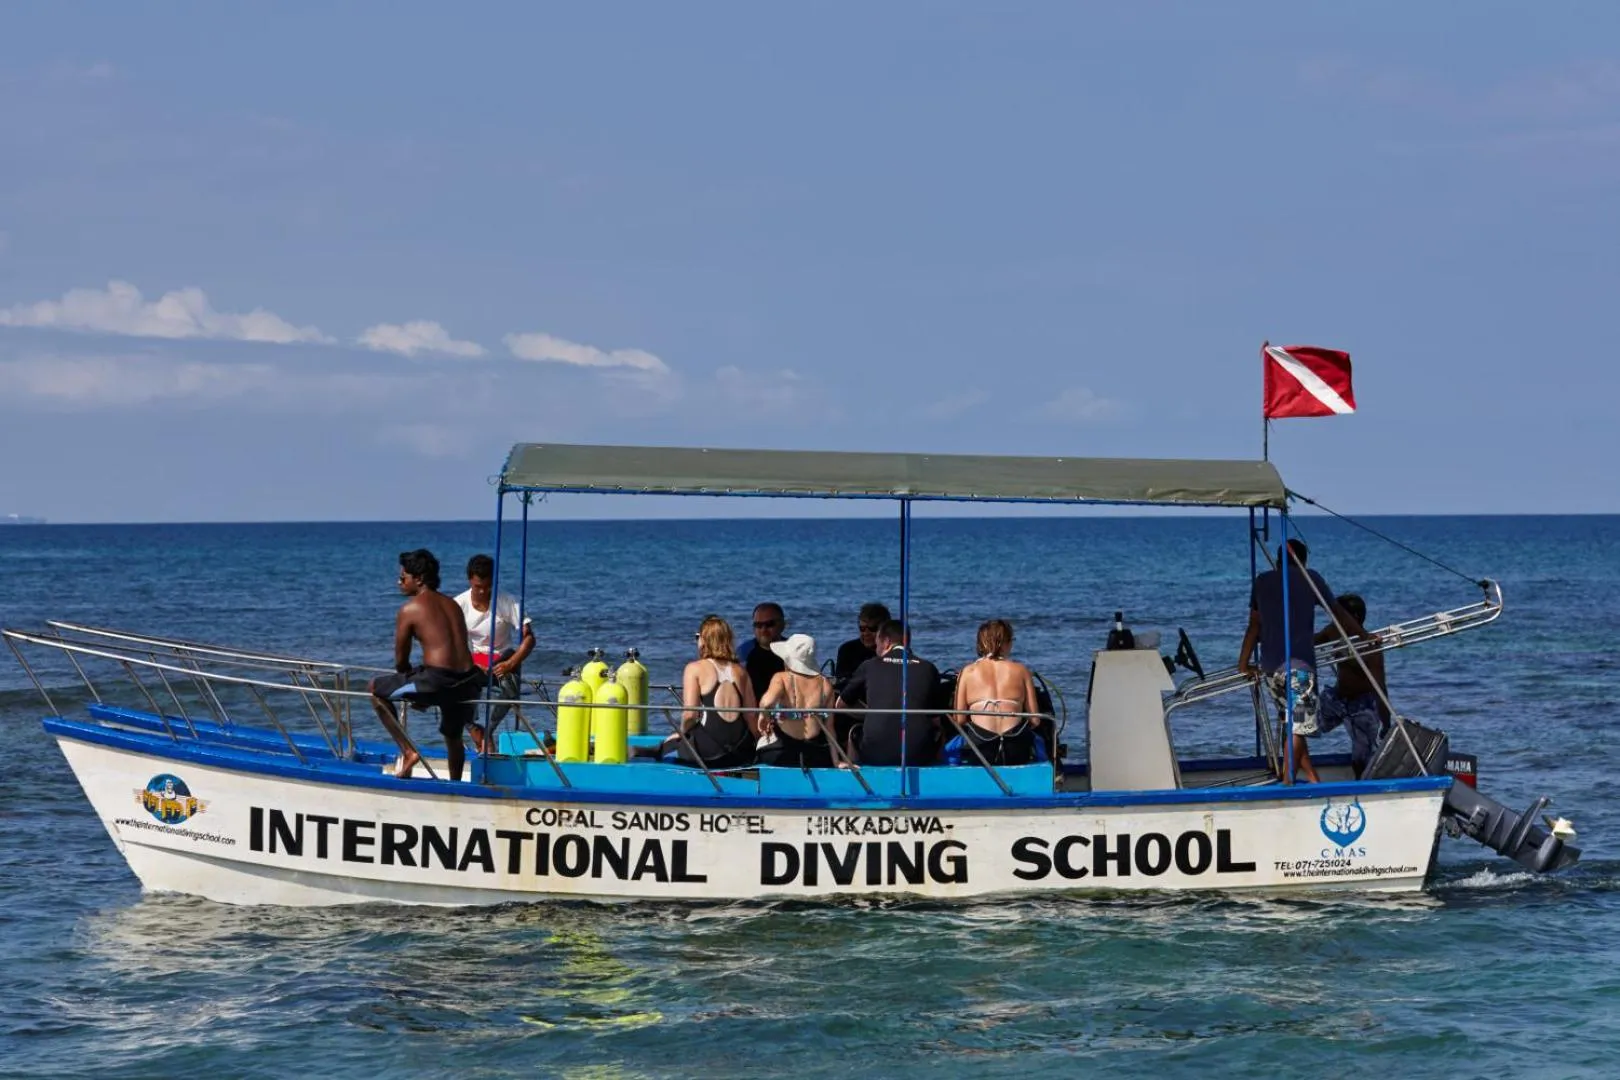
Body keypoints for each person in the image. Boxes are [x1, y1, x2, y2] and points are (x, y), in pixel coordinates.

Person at [1237, 539, 1366, 783]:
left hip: (1270, 668)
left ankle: (1311, 779)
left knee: (1293, 725)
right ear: (1303, 560)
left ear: (1278, 560)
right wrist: (1363, 635)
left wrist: (1243, 663)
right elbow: (1337, 612)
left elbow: (1254, 626)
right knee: (1299, 726)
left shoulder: (1262, 582)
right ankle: (1287, 783)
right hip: (1300, 669)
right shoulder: (1311, 578)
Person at [369, 549, 481, 781]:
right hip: (468, 680)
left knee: (374, 690)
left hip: (438, 680)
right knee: (453, 735)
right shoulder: (452, 604)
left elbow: (401, 661)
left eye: (403, 577)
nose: (399, 582)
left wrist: (415, 689)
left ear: (418, 579)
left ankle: (408, 751)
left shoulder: (410, 609)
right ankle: (455, 784)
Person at [454, 554, 535, 749]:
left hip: (501, 660)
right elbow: (451, 642)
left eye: (487, 587)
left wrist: (511, 663)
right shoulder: (458, 604)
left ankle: (489, 731)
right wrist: (470, 664)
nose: (482, 592)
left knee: (511, 686)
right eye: (477, 587)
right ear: (469, 581)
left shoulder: (508, 601)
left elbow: (529, 639)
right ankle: (474, 728)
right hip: (471, 661)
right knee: (446, 688)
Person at [836, 620, 942, 767]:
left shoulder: (869, 666)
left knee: (854, 732)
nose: (876, 648)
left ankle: (854, 776)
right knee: (938, 732)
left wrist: (871, 713)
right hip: (919, 753)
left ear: (886, 641)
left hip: (875, 752)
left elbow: (840, 705)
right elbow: (936, 719)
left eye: (877, 642)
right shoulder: (929, 668)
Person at [945, 619, 1048, 766]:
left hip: (981, 746)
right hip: (1015, 745)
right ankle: (1056, 773)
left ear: (982, 643)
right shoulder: (1021, 670)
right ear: (1005, 643)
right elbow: (1035, 720)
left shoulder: (967, 672)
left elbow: (960, 719)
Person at [662, 615, 758, 769]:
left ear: (704, 640)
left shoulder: (694, 669)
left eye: (698, 637)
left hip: (708, 753)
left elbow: (689, 715)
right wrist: (759, 743)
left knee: (668, 745)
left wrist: (682, 735)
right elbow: (751, 716)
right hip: (740, 753)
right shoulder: (741, 672)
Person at [1314, 593, 1389, 778]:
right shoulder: (1333, 631)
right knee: (1305, 724)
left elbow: (1380, 688)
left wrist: (1386, 722)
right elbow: (1312, 641)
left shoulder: (1371, 646)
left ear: (1354, 618)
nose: (1334, 618)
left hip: (1362, 705)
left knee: (1362, 756)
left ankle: (1362, 786)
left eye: (1339, 614)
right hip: (1337, 699)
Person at [756, 633, 834, 768]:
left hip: (783, 753)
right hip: (815, 754)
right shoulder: (825, 684)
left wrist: (764, 716)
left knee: (761, 744)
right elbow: (830, 728)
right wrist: (836, 761)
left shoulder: (781, 678)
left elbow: (767, 703)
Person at [737, 602, 787, 699]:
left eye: (769, 624)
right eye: (758, 625)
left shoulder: (793, 650)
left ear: (783, 625)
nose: (763, 630)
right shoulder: (744, 652)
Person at [834, 603, 891, 685]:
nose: (866, 633)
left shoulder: (895, 651)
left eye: (872, 629)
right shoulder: (848, 650)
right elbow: (842, 681)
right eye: (862, 628)